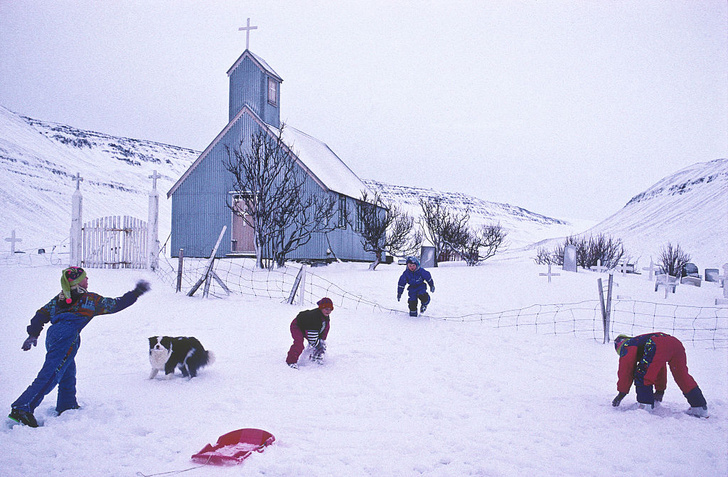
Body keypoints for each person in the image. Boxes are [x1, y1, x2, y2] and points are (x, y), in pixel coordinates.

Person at [8, 267, 150, 427]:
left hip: (54, 334)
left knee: (67, 369)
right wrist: (136, 292)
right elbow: (116, 304)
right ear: (77, 281)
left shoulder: (60, 298)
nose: (87, 279)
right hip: (67, 337)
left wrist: (33, 333)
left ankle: (66, 404)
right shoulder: (90, 300)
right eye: (85, 277)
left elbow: (41, 314)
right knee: (51, 373)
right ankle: (22, 408)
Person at [611, 332, 708, 417]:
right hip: (675, 343)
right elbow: (658, 369)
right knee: (682, 375)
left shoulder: (627, 346)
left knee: (642, 374)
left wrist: (621, 393)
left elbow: (626, 370)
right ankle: (699, 407)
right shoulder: (640, 341)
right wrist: (659, 390)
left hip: (656, 344)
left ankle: (644, 404)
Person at [286, 297, 333, 369]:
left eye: (330, 309)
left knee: (320, 343)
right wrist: (318, 345)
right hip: (297, 326)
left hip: (309, 328)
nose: (328, 311)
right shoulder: (314, 318)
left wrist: (321, 341)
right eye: (326, 309)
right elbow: (312, 338)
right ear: (321, 308)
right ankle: (291, 361)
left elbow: (325, 330)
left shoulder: (325, 317)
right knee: (299, 343)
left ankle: (315, 357)